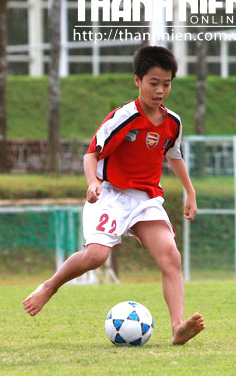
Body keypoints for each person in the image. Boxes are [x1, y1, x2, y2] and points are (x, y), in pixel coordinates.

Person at [23, 46, 205, 345]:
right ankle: (50, 286)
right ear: (138, 80)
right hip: (110, 194)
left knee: (171, 256)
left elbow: (174, 155)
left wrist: (190, 192)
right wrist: (93, 182)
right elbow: (91, 153)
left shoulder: (172, 122)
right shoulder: (123, 117)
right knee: (96, 256)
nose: (160, 90)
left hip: (145, 198)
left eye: (167, 84)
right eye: (153, 83)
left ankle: (177, 327)